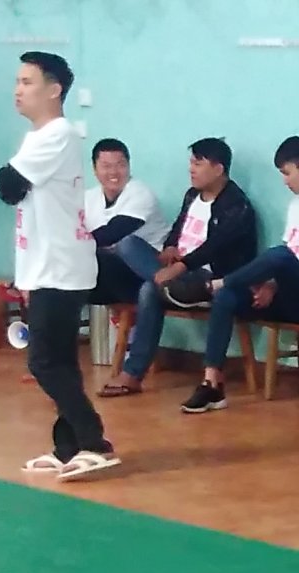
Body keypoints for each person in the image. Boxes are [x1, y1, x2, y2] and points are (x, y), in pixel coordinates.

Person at [0, 50, 119, 481]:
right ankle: (67, 446)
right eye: (17, 81)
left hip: (60, 266)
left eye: (27, 82)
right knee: (61, 360)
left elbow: (8, 185)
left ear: (54, 90)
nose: (18, 90)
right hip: (44, 263)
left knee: (43, 362)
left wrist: (8, 176)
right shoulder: (37, 137)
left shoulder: (58, 134)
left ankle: (94, 441)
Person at [182, 135, 299, 421]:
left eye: (287, 173)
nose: (284, 181)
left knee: (279, 255)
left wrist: (274, 280)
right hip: (285, 291)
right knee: (227, 298)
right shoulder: (296, 204)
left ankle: (220, 282)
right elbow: (289, 251)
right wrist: (269, 284)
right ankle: (212, 383)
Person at [100, 137, 255, 397]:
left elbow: (214, 247)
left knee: (149, 289)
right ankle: (133, 375)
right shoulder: (192, 195)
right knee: (129, 246)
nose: (191, 169)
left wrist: (180, 267)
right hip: (180, 272)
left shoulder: (237, 205)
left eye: (198, 163)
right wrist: (170, 246)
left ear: (218, 169)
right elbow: (178, 226)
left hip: (209, 279)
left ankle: (134, 370)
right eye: (191, 162)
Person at [82, 137, 163, 305]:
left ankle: (171, 289)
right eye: (106, 166)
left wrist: (73, 248)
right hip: (109, 271)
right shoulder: (88, 198)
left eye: (120, 165)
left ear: (129, 165)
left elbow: (114, 232)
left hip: (142, 272)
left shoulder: (141, 193)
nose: (114, 172)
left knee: (120, 247)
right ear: (94, 169)